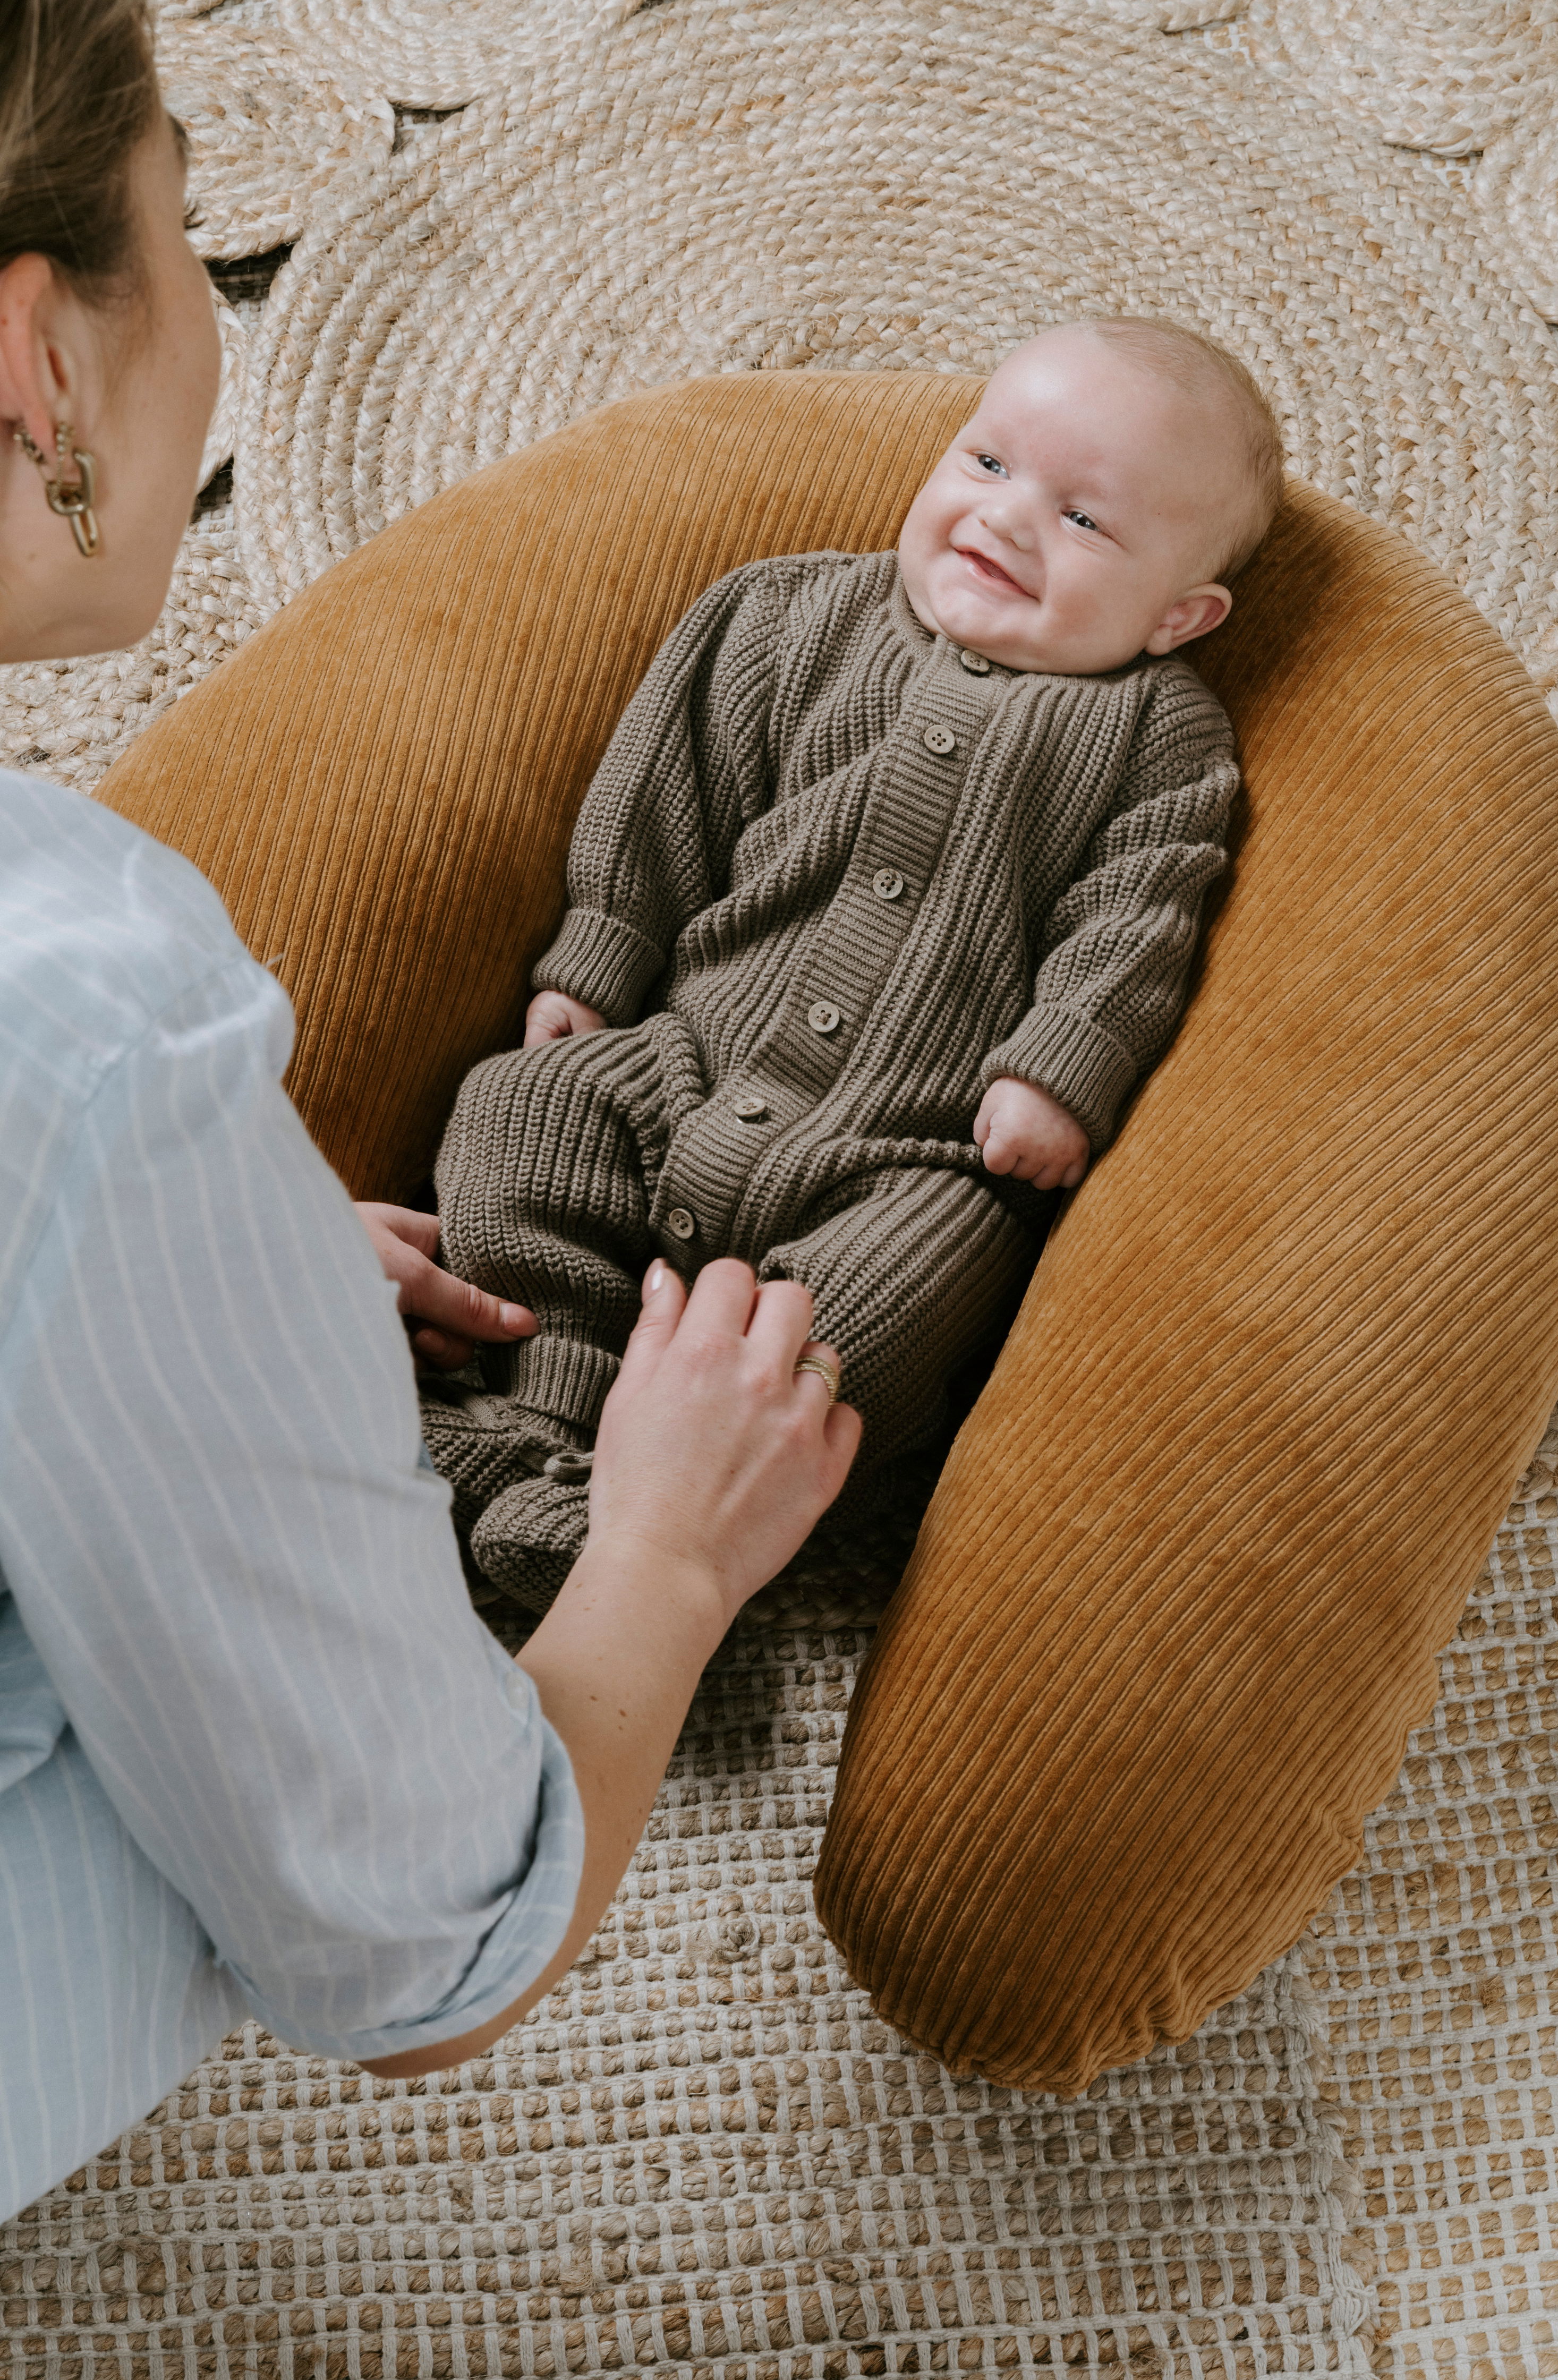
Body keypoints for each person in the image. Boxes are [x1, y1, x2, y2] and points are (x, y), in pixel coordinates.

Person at [0, 0, 858, 2225]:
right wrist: (664, 1557)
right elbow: (421, 1943)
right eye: (195, 249)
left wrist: (216, 1312)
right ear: (38, 368)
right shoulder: (86, 1016)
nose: (217, 327)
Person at [422, 321, 1282, 1600]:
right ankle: (540, 1430)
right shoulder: (788, 617)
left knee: (892, 1304)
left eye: (1087, 521)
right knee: (522, 1111)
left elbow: (1142, 914)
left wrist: (1062, 1067)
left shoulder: (1159, 740)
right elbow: (668, 795)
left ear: (1179, 616)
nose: (1008, 519)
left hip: (907, 1157)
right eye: (985, 461)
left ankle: (662, 1520)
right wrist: (600, 959)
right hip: (689, 1065)